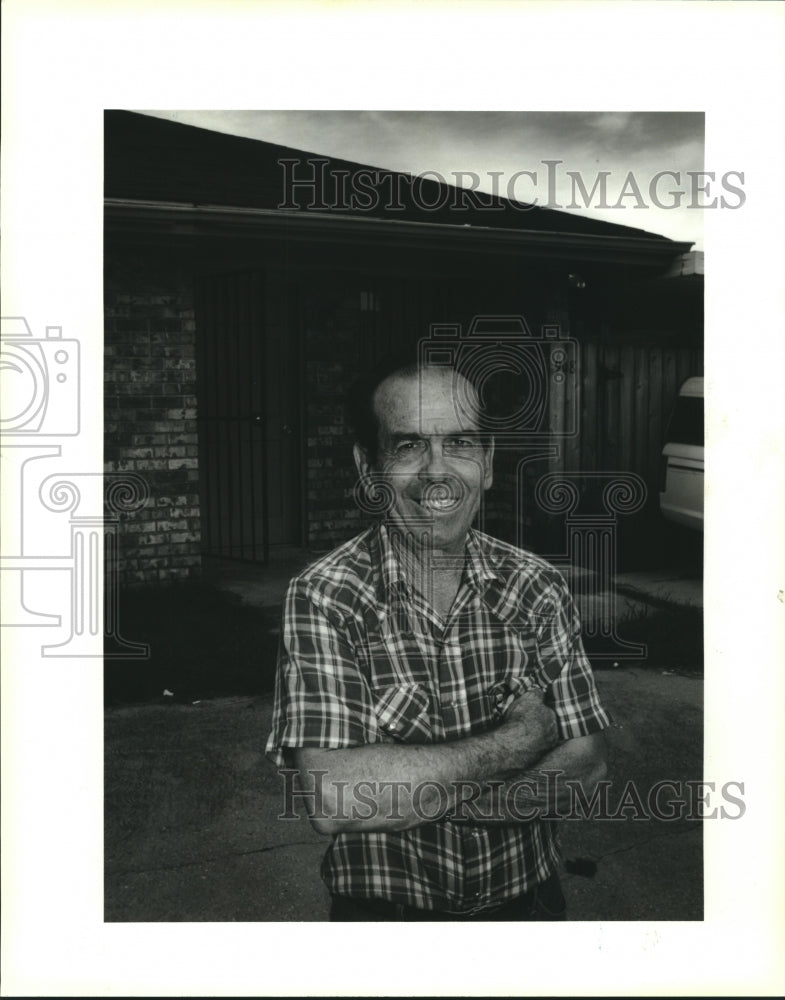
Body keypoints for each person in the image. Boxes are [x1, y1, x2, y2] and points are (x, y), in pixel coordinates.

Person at [266, 355, 610, 921]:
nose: (437, 471)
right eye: (407, 446)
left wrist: (418, 787)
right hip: (386, 924)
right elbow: (336, 797)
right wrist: (521, 740)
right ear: (369, 468)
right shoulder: (326, 595)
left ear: (489, 463)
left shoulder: (538, 586)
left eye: (460, 443)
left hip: (530, 910)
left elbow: (588, 763)